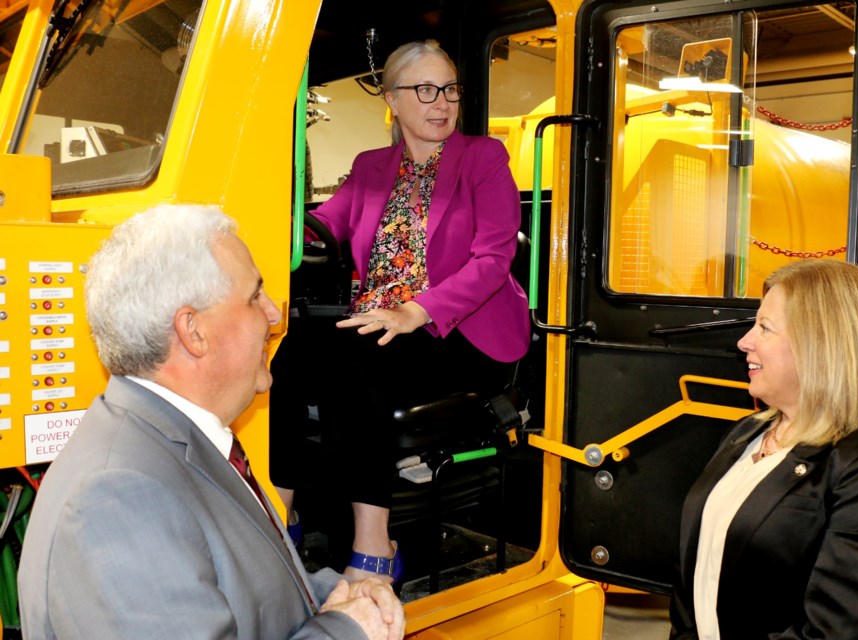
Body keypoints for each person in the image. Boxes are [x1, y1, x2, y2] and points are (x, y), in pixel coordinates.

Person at [17, 204, 405, 640]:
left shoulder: (177, 439)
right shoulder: (118, 498)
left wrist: (342, 594)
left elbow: (239, 592)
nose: (274, 316)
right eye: (254, 296)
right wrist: (347, 631)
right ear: (193, 331)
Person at [269, 39, 530, 584]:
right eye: (425, 90)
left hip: (462, 331)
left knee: (359, 360)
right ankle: (278, 514)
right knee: (289, 351)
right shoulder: (370, 168)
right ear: (392, 99)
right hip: (385, 324)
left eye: (450, 89)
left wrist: (417, 310)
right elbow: (321, 226)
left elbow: (493, 257)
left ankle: (372, 547)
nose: (442, 102)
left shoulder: (483, 159)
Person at [669, 259, 858, 639]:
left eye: (764, 328)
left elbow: (836, 631)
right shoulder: (748, 432)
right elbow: (692, 580)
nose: (744, 341)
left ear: (822, 347)